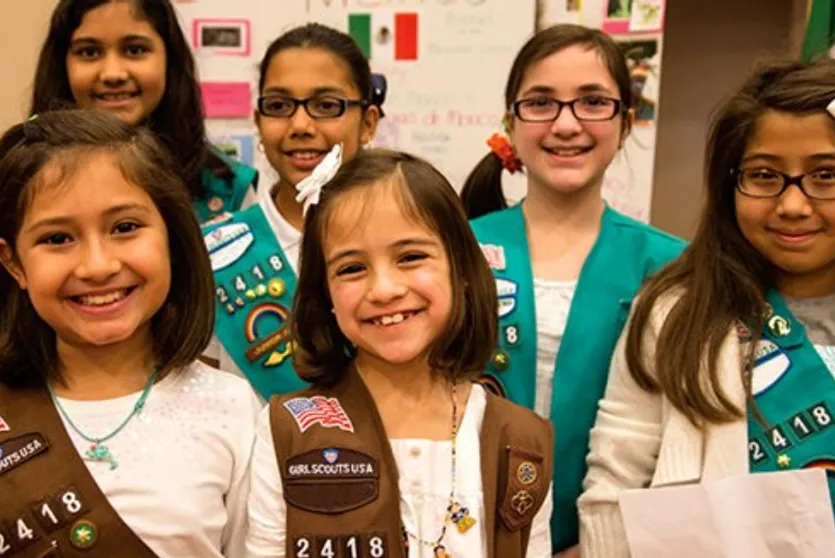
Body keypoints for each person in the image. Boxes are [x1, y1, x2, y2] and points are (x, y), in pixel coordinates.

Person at [579, 44, 835, 557]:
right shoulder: (673, 315)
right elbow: (612, 491)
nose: (793, 204)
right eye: (764, 175)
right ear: (730, 184)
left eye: (827, 175)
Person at [0, 110, 261, 557]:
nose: (97, 266)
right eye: (57, 238)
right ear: (13, 263)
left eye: (125, 228)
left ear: (171, 235)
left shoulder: (231, 408)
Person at [245, 149, 554, 557]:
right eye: (351, 268)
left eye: (410, 257)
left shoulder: (520, 440)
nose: (384, 290)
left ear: (462, 269)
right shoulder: (287, 430)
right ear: (325, 294)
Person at [458, 24, 684, 553]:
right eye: (541, 103)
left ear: (626, 123)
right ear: (511, 122)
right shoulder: (456, 249)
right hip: (461, 533)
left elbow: (678, 435)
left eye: (593, 102)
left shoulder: (673, 267)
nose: (566, 124)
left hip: (611, 542)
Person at [202, 23, 382, 399]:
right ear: (258, 122)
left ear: (368, 123)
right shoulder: (211, 256)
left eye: (326, 106)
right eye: (279, 106)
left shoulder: (411, 240)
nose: (300, 125)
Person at [30, 0, 256, 222]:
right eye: (89, 52)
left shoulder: (226, 190)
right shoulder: (26, 179)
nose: (113, 74)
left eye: (135, 50)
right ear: (61, 65)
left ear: (169, 60)